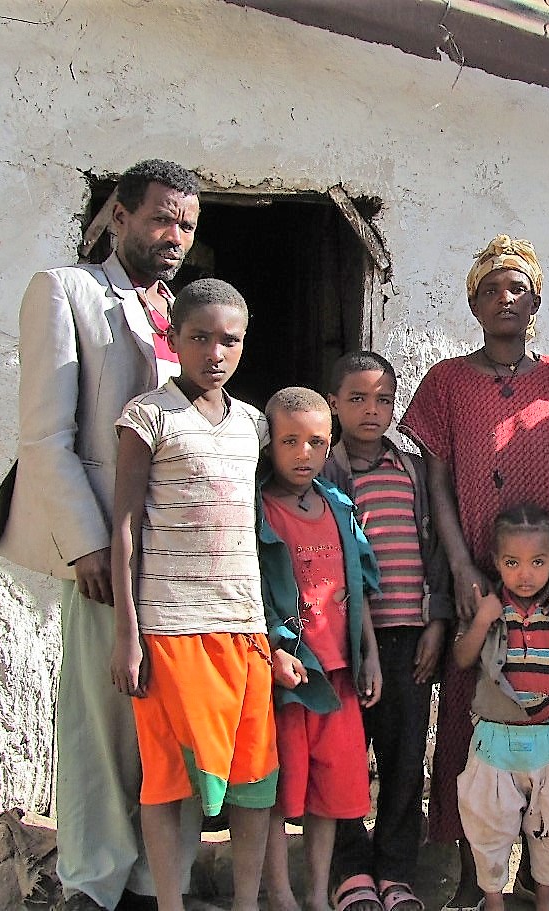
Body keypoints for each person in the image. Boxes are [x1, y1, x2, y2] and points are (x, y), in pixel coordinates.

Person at [0, 159, 206, 910]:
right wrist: (86, 544)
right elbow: (45, 437)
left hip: (180, 551)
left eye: (186, 225)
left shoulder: (183, 311)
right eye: (161, 218)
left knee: (166, 719)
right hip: (108, 545)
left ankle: (153, 881)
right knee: (101, 718)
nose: (174, 236)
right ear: (119, 216)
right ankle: (92, 880)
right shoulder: (67, 291)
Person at [399, 235, 549, 911]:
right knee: (475, 719)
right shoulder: (445, 382)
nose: (504, 299)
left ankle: (537, 878)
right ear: (473, 305)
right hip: (481, 579)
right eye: (490, 290)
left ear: (536, 301)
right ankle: (475, 878)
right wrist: (462, 566)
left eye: (516, 288)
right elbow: (436, 481)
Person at [108, 279, 295, 911]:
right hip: (169, 628)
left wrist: (276, 630)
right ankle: (170, 902)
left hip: (243, 627)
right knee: (167, 778)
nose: (215, 353)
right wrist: (128, 635)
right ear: (173, 337)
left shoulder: (253, 425)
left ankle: (245, 902)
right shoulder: (147, 417)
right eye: (200, 337)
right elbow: (125, 525)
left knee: (254, 778)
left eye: (229, 340)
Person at [323, 351, 453, 911]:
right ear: (333, 404)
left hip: (410, 640)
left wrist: (437, 621)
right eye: (357, 398)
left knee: (404, 761)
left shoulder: (413, 470)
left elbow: (437, 551)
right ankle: (351, 872)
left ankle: (397, 873)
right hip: (348, 643)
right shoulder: (324, 472)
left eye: (382, 399)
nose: (371, 410)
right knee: (346, 758)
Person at [257, 387, 384, 911]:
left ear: (330, 443)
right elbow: (251, 590)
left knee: (330, 795)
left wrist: (369, 653)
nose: (303, 454)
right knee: (275, 790)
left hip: (339, 674)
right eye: (289, 441)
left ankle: (316, 894)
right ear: (269, 444)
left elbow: (359, 586)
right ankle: (281, 893)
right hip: (287, 675)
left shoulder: (338, 505)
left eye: (315, 442)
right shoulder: (259, 509)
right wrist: (272, 649)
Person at [452, 505, 549, 911]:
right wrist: (482, 621)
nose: (525, 575)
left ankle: (543, 899)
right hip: (495, 742)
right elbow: (462, 659)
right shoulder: (490, 606)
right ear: (496, 561)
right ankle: (493, 901)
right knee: (488, 824)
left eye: (538, 562)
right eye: (512, 563)